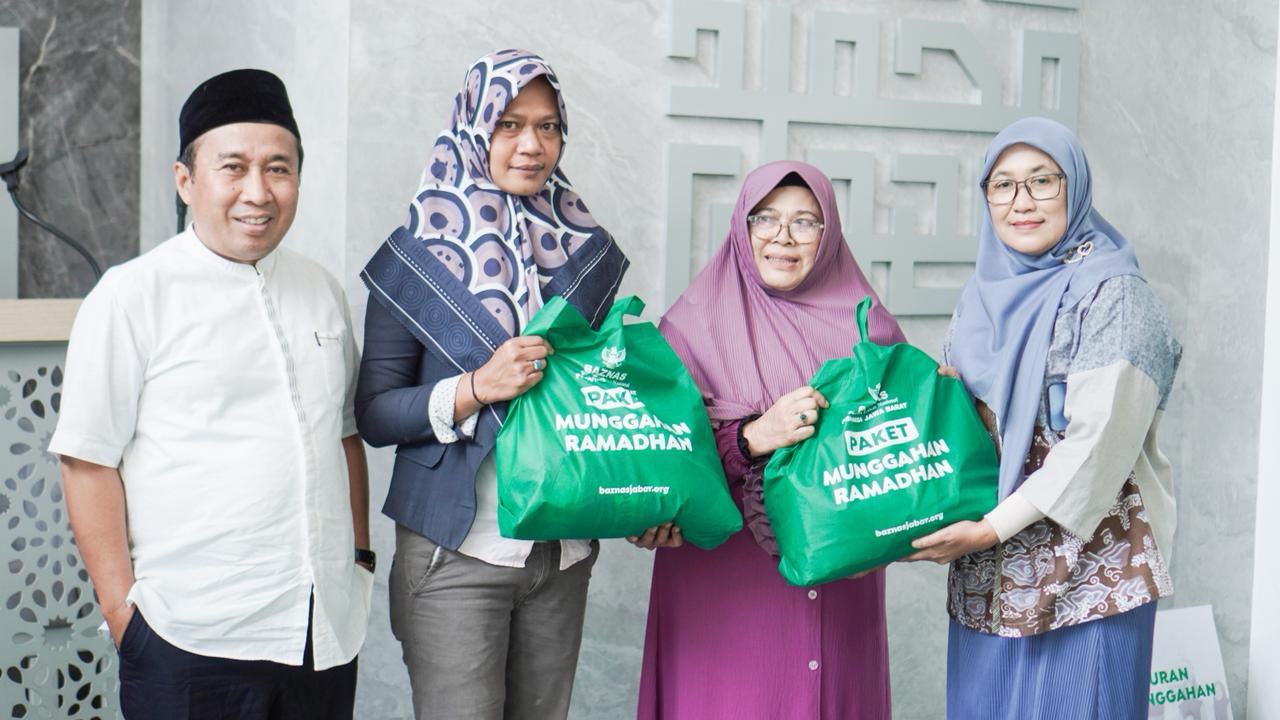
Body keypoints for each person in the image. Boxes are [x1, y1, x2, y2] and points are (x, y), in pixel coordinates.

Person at [49, 69, 372, 719]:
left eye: (278, 169)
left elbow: (344, 434)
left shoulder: (322, 290)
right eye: (234, 167)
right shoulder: (132, 296)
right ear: (185, 180)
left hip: (320, 632)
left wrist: (359, 559)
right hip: (188, 640)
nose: (258, 191)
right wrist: (123, 615)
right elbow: (87, 459)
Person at [356, 49, 628, 720]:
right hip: (456, 555)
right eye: (508, 124)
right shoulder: (420, 255)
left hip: (559, 555)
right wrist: (477, 386)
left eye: (548, 126)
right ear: (472, 129)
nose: (532, 145)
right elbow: (376, 413)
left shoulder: (579, 248)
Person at [905, 117, 1181, 719]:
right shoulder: (981, 296)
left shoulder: (1114, 294)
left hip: (1092, 573)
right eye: (1002, 186)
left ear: (1074, 188)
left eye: (1041, 182)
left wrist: (990, 529)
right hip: (989, 578)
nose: (1021, 203)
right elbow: (962, 422)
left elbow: (1097, 447)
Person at [636, 161, 905, 719]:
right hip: (722, 585)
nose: (783, 237)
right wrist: (755, 436)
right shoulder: (689, 329)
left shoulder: (870, 330)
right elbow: (655, 462)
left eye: (806, 222)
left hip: (840, 580)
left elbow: (904, 464)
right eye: (766, 219)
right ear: (742, 226)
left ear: (828, 236)